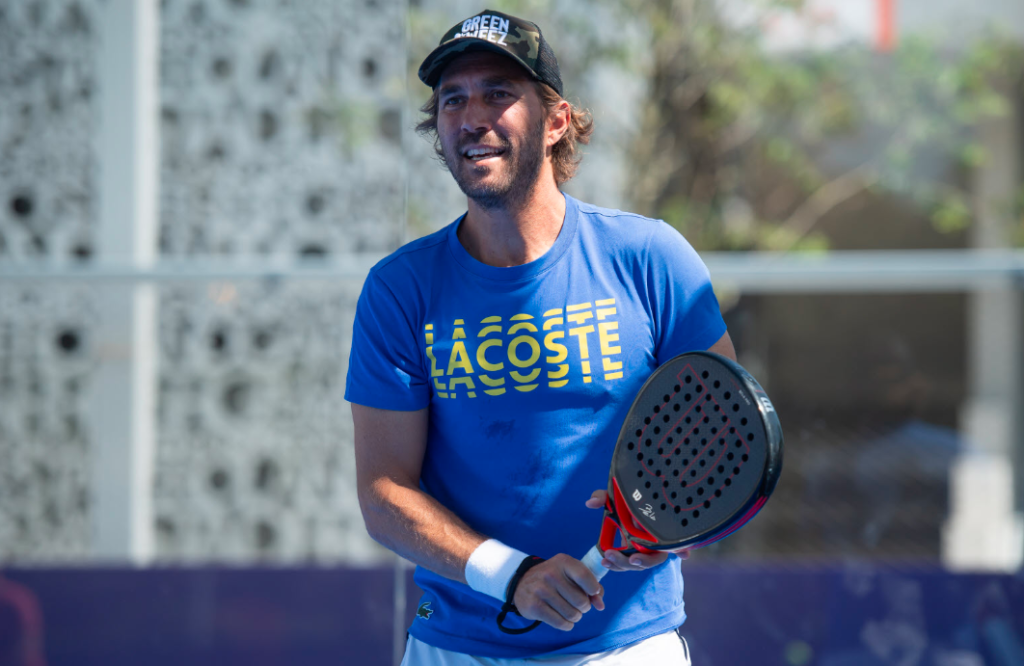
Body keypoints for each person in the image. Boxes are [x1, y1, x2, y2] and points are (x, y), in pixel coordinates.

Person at [346, 8, 736, 665]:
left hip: (627, 645)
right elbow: (384, 492)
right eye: (453, 99)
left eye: (499, 93)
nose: (473, 116)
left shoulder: (651, 258)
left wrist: (667, 526)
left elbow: (723, 436)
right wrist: (514, 575)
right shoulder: (399, 289)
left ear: (557, 121)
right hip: (455, 647)